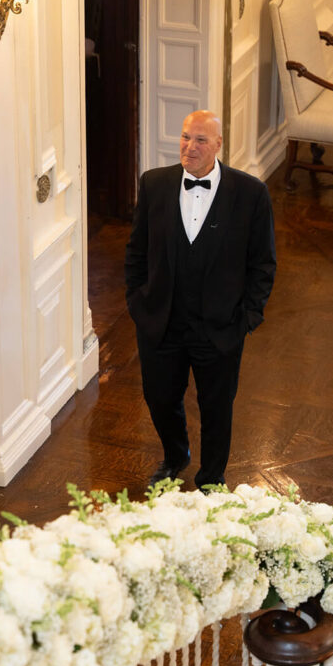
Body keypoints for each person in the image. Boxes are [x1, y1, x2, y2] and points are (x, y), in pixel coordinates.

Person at [125, 110, 276, 489]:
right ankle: (176, 457)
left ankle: (211, 478)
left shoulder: (251, 194)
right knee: (159, 398)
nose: (189, 147)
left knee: (216, 408)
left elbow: (262, 264)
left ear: (218, 145)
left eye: (200, 140)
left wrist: (247, 318)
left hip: (220, 327)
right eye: (185, 137)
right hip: (161, 322)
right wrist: (138, 302)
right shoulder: (154, 184)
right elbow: (136, 252)